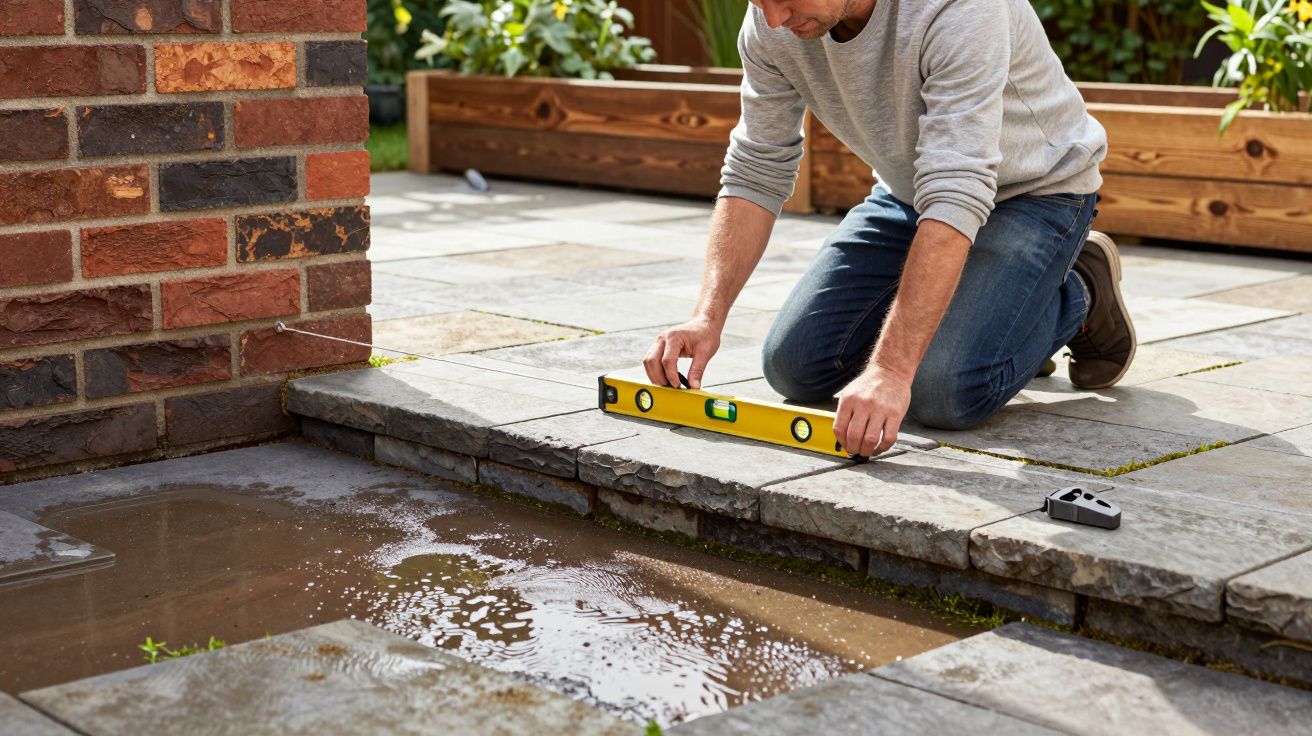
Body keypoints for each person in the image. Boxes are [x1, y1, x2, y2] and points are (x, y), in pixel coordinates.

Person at [642, 0, 1136, 460]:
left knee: (941, 390)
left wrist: (891, 370)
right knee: (794, 366)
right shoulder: (774, 25)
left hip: (1037, 190)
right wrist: (707, 316)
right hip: (910, 194)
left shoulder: (961, 9)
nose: (773, 19)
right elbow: (756, 167)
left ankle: (1080, 290)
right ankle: (1006, 314)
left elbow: (957, 190)